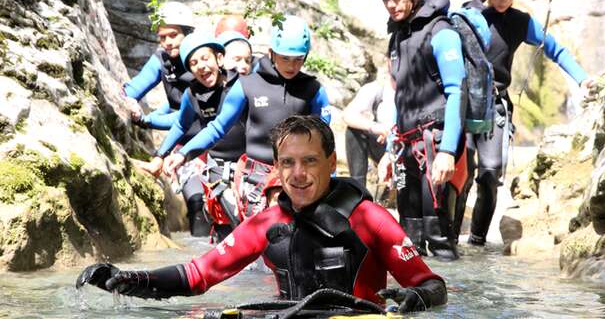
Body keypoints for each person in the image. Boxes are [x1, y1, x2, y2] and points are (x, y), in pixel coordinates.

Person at [76, 115, 447, 313]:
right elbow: (197, 275)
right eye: (287, 163)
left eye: (310, 161)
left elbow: (433, 285)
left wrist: (417, 299)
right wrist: (128, 279)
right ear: (278, 167)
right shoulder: (266, 224)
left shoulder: (371, 219)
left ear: (332, 162)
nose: (298, 174)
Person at [459, 0, 594, 246]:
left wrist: (582, 79)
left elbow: (555, 49)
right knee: (462, 175)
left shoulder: (520, 22)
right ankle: (448, 240)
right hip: (464, 103)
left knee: (490, 174)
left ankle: (476, 241)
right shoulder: (467, 15)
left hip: (495, 106)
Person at [163, 15, 331, 220]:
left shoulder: (313, 90)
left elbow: (325, 142)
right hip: (256, 175)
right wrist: (184, 154)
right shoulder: (248, 85)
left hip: (298, 173)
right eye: (285, 58)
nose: (291, 65)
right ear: (271, 53)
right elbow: (218, 128)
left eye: (298, 59)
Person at [376, 0, 468, 260]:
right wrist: (391, 151)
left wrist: (448, 151)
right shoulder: (397, 37)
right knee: (408, 237)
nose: (391, 4)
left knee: (438, 235)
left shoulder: (442, 32)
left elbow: (457, 91)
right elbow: (398, 96)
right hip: (405, 146)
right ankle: (413, 300)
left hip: (436, 144)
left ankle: (454, 303)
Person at [137, 31, 252, 238]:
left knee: (251, 229)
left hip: (249, 166)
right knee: (225, 234)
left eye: (205, 58)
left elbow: (218, 127)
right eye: (193, 62)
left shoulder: (241, 85)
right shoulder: (192, 94)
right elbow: (181, 126)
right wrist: (159, 157)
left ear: (219, 59)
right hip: (218, 168)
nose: (201, 66)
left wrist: (183, 155)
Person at [121, 1, 195, 130]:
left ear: (188, 34)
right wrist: (127, 101)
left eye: (173, 35)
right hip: (182, 135)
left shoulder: (202, 60)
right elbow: (132, 90)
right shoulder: (161, 60)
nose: (167, 43)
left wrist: (145, 119)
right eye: (162, 37)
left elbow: (193, 114)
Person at [342, 70, 396, 188]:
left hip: (407, 146)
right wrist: (375, 127)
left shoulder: (417, 88)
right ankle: (357, 188)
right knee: (353, 131)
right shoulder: (376, 89)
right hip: (382, 142)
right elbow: (348, 115)